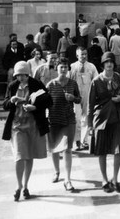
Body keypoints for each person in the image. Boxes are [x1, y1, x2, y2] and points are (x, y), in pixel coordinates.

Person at [2, 61, 52, 201]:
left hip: (33, 125)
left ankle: (25, 186)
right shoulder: (12, 86)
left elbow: (49, 101)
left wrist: (34, 108)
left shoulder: (36, 84)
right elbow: (5, 104)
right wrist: (11, 100)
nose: (20, 78)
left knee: (29, 155)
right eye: (18, 76)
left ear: (27, 74)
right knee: (19, 156)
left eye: (23, 75)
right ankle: (18, 186)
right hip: (17, 126)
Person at [88, 52, 120, 193]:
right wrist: (89, 125)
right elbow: (90, 104)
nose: (109, 64)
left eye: (111, 61)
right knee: (102, 150)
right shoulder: (96, 81)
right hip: (101, 119)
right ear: (103, 64)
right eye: (106, 62)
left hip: (117, 118)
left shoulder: (119, 78)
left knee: (118, 150)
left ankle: (115, 179)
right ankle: (105, 179)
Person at [46, 57, 81, 191]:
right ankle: (56, 172)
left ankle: (68, 179)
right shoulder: (50, 85)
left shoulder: (72, 84)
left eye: (66, 67)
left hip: (68, 119)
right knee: (54, 148)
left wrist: (73, 98)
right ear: (56, 68)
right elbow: (44, 102)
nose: (64, 69)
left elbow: (79, 100)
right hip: (54, 120)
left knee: (67, 148)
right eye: (61, 67)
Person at [69, 47, 98, 151]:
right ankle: (77, 142)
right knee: (76, 118)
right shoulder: (72, 67)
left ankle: (84, 141)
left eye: (85, 54)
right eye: (81, 54)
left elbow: (96, 80)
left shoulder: (92, 67)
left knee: (86, 117)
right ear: (77, 55)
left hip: (88, 94)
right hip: (76, 95)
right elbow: (69, 81)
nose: (84, 56)